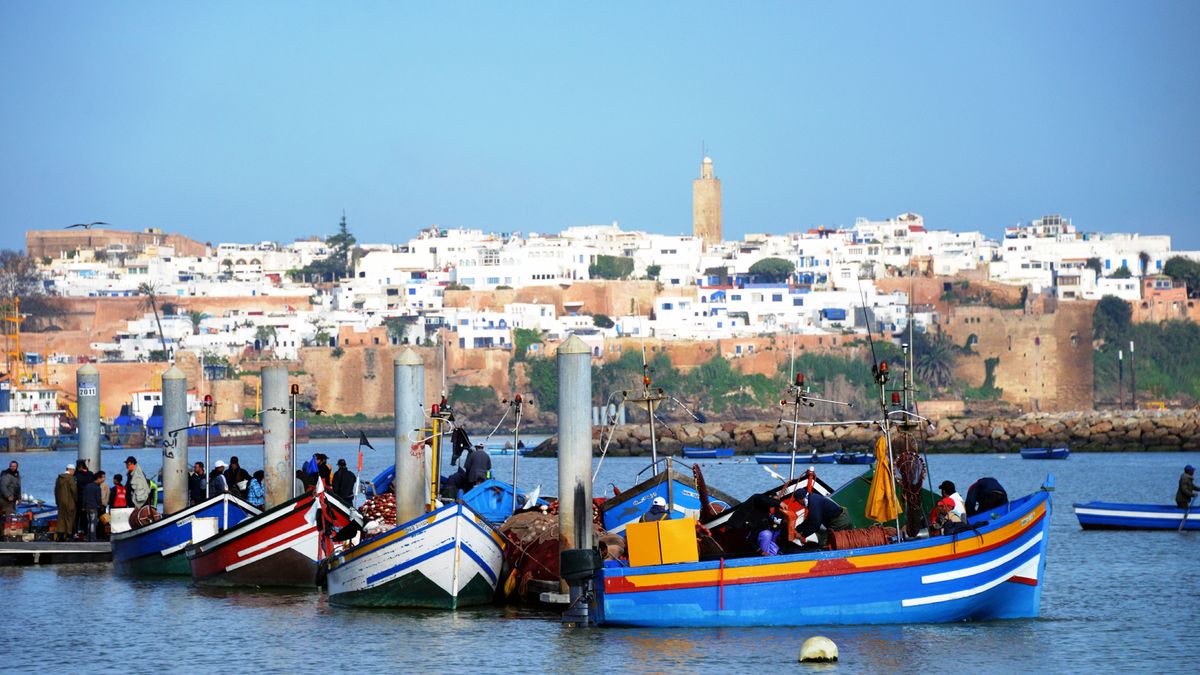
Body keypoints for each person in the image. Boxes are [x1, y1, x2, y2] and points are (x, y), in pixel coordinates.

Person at [54, 464, 77, 541]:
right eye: (73, 470)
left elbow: (56, 491)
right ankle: (69, 535)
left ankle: (60, 536)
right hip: (70, 502)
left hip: (60, 502)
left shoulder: (59, 478)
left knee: (61, 518)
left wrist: (57, 501)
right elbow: (74, 490)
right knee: (70, 518)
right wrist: (76, 500)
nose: (74, 472)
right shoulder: (71, 478)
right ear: (71, 470)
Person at [80, 471, 104, 542]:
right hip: (93, 507)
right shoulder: (97, 487)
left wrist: (83, 506)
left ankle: (89, 538)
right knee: (93, 523)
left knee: (89, 523)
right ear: (98, 478)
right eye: (102, 477)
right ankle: (93, 538)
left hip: (87, 507)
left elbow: (84, 497)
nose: (103, 479)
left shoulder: (87, 486)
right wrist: (101, 506)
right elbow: (98, 498)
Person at [74, 459, 94, 532]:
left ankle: (76, 532)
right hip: (89, 498)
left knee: (77, 516)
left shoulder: (76, 476)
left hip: (79, 498)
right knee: (87, 517)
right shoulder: (91, 474)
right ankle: (87, 532)